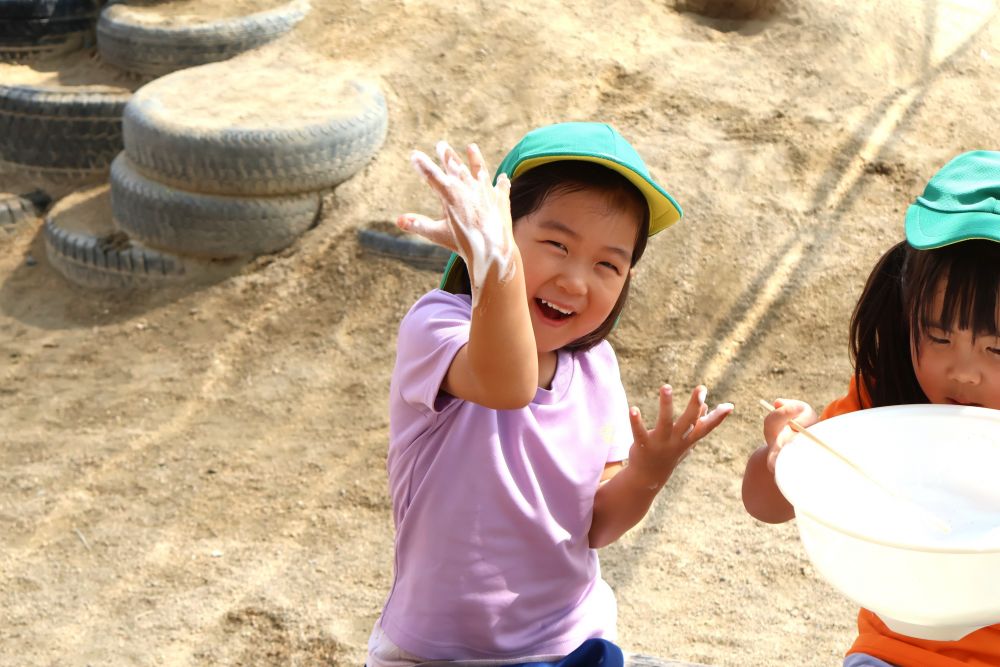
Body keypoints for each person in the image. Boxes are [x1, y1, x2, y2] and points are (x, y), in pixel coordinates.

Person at [367, 122, 733, 667]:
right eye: (557, 244)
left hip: (569, 642)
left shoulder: (594, 368)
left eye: (609, 264)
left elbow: (597, 525)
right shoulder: (439, 326)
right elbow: (506, 384)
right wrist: (495, 263)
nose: (576, 280)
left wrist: (650, 469)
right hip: (434, 654)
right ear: (495, 232)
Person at [741, 150, 1000, 667]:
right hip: (892, 654)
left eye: (997, 349)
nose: (964, 371)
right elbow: (768, 505)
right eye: (939, 336)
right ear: (908, 315)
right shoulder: (885, 406)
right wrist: (783, 452)